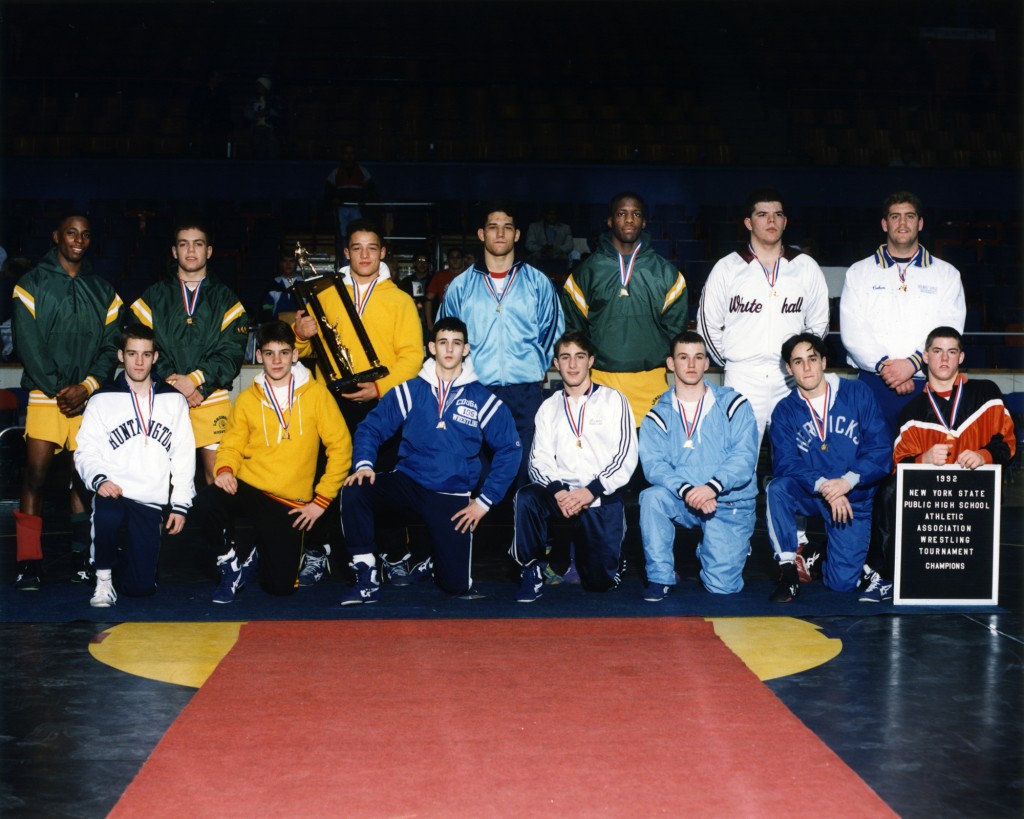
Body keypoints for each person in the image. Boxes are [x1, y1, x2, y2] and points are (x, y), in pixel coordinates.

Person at [338, 317, 521, 604]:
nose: (449, 349)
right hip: (409, 480)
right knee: (355, 489)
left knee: (456, 586)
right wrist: (364, 464)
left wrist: (484, 502)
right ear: (432, 347)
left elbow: (510, 449)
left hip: (451, 491)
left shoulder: (482, 399)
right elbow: (371, 427)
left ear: (466, 349)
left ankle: (437, 563)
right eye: (443, 342)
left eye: (456, 343)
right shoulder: (410, 390)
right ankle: (365, 577)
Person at [292, 219, 422, 583]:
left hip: (383, 403)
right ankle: (318, 549)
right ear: (346, 253)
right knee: (328, 474)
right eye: (357, 248)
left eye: (372, 248)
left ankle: (393, 553)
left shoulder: (400, 300)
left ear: (383, 253)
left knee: (383, 478)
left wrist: (379, 389)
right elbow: (307, 349)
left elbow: (412, 358)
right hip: (332, 402)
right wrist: (300, 334)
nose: (364, 255)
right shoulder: (325, 294)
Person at [192, 320, 352, 602]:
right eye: (269, 353)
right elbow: (231, 444)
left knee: (279, 588)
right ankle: (229, 563)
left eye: (283, 353)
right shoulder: (247, 399)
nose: (276, 360)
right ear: (259, 356)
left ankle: (259, 550)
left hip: (288, 501)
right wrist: (225, 469)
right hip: (250, 487)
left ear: (295, 354)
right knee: (207, 501)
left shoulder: (317, 395)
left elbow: (341, 448)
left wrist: (321, 501)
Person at [861, 326, 1017, 602]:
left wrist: (984, 455)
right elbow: (899, 466)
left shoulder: (987, 394)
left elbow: (1008, 442)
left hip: (974, 495)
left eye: (951, 352)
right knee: (888, 490)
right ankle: (884, 575)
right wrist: (924, 459)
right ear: (925, 357)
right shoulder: (911, 413)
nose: (944, 359)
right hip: (929, 503)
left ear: (961, 357)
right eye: (937, 351)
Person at [11, 212, 123, 590]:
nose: (78, 240)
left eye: (86, 235)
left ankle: (81, 558)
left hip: (87, 398)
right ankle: (28, 562)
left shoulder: (105, 291)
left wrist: (87, 387)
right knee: (36, 476)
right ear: (56, 236)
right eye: (72, 233)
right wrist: (62, 389)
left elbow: (110, 348)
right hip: (47, 395)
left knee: (83, 479)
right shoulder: (30, 284)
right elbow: (28, 345)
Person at [437, 202, 563, 481]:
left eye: (507, 227)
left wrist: (533, 364)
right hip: (476, 389)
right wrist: (463, 374)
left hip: (525, 392)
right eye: (493, 227)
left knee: (525, 470)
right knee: (477, 473)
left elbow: (553, 328)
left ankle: (521, 511)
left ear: (517, 235)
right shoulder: (461, 286)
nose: (500, 233)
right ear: (481, 234)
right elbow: (446, 336)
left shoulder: (538, 282)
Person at [696, 188, 829, 448]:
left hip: (789, 378)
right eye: (762, 214)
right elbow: (707, 325)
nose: (771, 220)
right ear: (748, 222)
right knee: (739, 455)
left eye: (777, 214)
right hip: (743, 377)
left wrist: (800, 362)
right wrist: (735, 360)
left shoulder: (805, 266)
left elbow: (819, 323)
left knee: (798, 452)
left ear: (785, 222)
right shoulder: (727, 267)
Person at [510, 330, 638, 602]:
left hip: (599, 496)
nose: (572, 364)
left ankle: (612, 555)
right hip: (562, 497)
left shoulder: (614, 400)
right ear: (556, 363)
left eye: (579, 357)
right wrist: (559, 491)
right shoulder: (548, 407)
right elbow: (538, 460)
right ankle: (531, 570)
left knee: (599, 584)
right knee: (527, 497)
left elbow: (625, 456)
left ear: (590, 361)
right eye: (565, 357)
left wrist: (589, 491)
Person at [73, 325, 196, 607]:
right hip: (113, 490)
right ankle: (103, 580)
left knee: (141, 589)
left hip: (149, 500)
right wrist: (100, 479)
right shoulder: (101, 399)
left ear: (155, 357)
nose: (139, 362)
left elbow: (183, 455)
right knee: (107, 515)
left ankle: (117, 555)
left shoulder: (174, 400)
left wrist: (180, 504)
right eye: (132, 354)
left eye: (145, 354)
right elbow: (85, 451)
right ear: (121, 355)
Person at [765, 333, 890, 603]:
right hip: (812, 493)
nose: (807, 367)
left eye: (812, 359)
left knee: (842, 584)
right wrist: (824, 485)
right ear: (789, 369)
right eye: (798, 362)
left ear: (823, 361)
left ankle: (820, 553)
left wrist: (847, 482)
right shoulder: (784, 410)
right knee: (778, 489)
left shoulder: (857, 393)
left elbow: (880, 449)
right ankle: (788, 571)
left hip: (852, 497)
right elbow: (785, 462)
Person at [638, 331, 758, 599]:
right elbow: (654, 465)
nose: (691, 364)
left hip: (727, 500)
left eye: (698, 357)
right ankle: (660, 577)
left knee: (722, 588)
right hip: (684, 498)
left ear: (707, 363)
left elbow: (745, 457)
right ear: (671, 363)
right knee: (652, 498)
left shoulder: (734, 404)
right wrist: (687, 490)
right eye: (683, 357)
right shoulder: (657, 414)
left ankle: (717, 548)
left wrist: (712, 488)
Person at [130, 221, 249, 486]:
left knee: (218, 476)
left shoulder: (227, 299)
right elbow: (142, 347)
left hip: (211, 397)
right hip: (164, 396)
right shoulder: (153, 297)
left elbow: (231, 353)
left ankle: (216, 519)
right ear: (175, 251)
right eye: (184, 244)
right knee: (160, 478)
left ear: (209, 251)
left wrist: (196, 381)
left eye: (198, 244)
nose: (191, 250)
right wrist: (174, 381)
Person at [840, 191, 966, 434]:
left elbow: (950, 328)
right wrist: (886, 368)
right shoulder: (859, 272)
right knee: (875, 455)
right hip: (874, 383)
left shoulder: (947, 274)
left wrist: (912, 364)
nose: (903, 223)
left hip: (928, 381)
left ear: (920, 223)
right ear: (884, 224)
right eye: (895, 216)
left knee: (927, 455)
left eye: (910, 216)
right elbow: (853, 331)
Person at [562, 191, 688, 425]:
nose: (629, 219)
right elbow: (576, 335)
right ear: (610, 221)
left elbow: (676, 335)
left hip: (650, 385)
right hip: (600, 382)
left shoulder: (667, 275)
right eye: (621, 214)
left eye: (636, 214)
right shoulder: (586, 273)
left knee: (649, 449)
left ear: (644, 222)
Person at [325, 143, 377, 258]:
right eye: (346, 153)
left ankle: (356, 257)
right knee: (343, 236)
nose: (349, 156)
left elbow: (370, 190)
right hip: (341, 208)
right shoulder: (336, 172)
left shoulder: (362, 171)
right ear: (342, 155)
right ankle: (344, 259)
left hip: (356, 208)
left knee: (356, 233)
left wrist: (363, 201)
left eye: (351, 153)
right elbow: (328, 191)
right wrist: (334, 199)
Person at [425, 246, 466, 333]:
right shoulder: (440, 276)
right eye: (452, 257)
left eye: (458, 257)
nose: (455, 260)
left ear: (463, 259)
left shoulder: (470, 275)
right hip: (445, 320)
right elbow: (428, 299)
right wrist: (429, 324)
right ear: (447, 260)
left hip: (466, 319)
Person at [397, 252, 434, 343]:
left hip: (431, 322)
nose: (422, 264)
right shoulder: (405, 282)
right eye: (419, 261)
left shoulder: (434, 280)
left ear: (429, 264)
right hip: (410, 322)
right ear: (414, 263)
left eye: (425, 261)